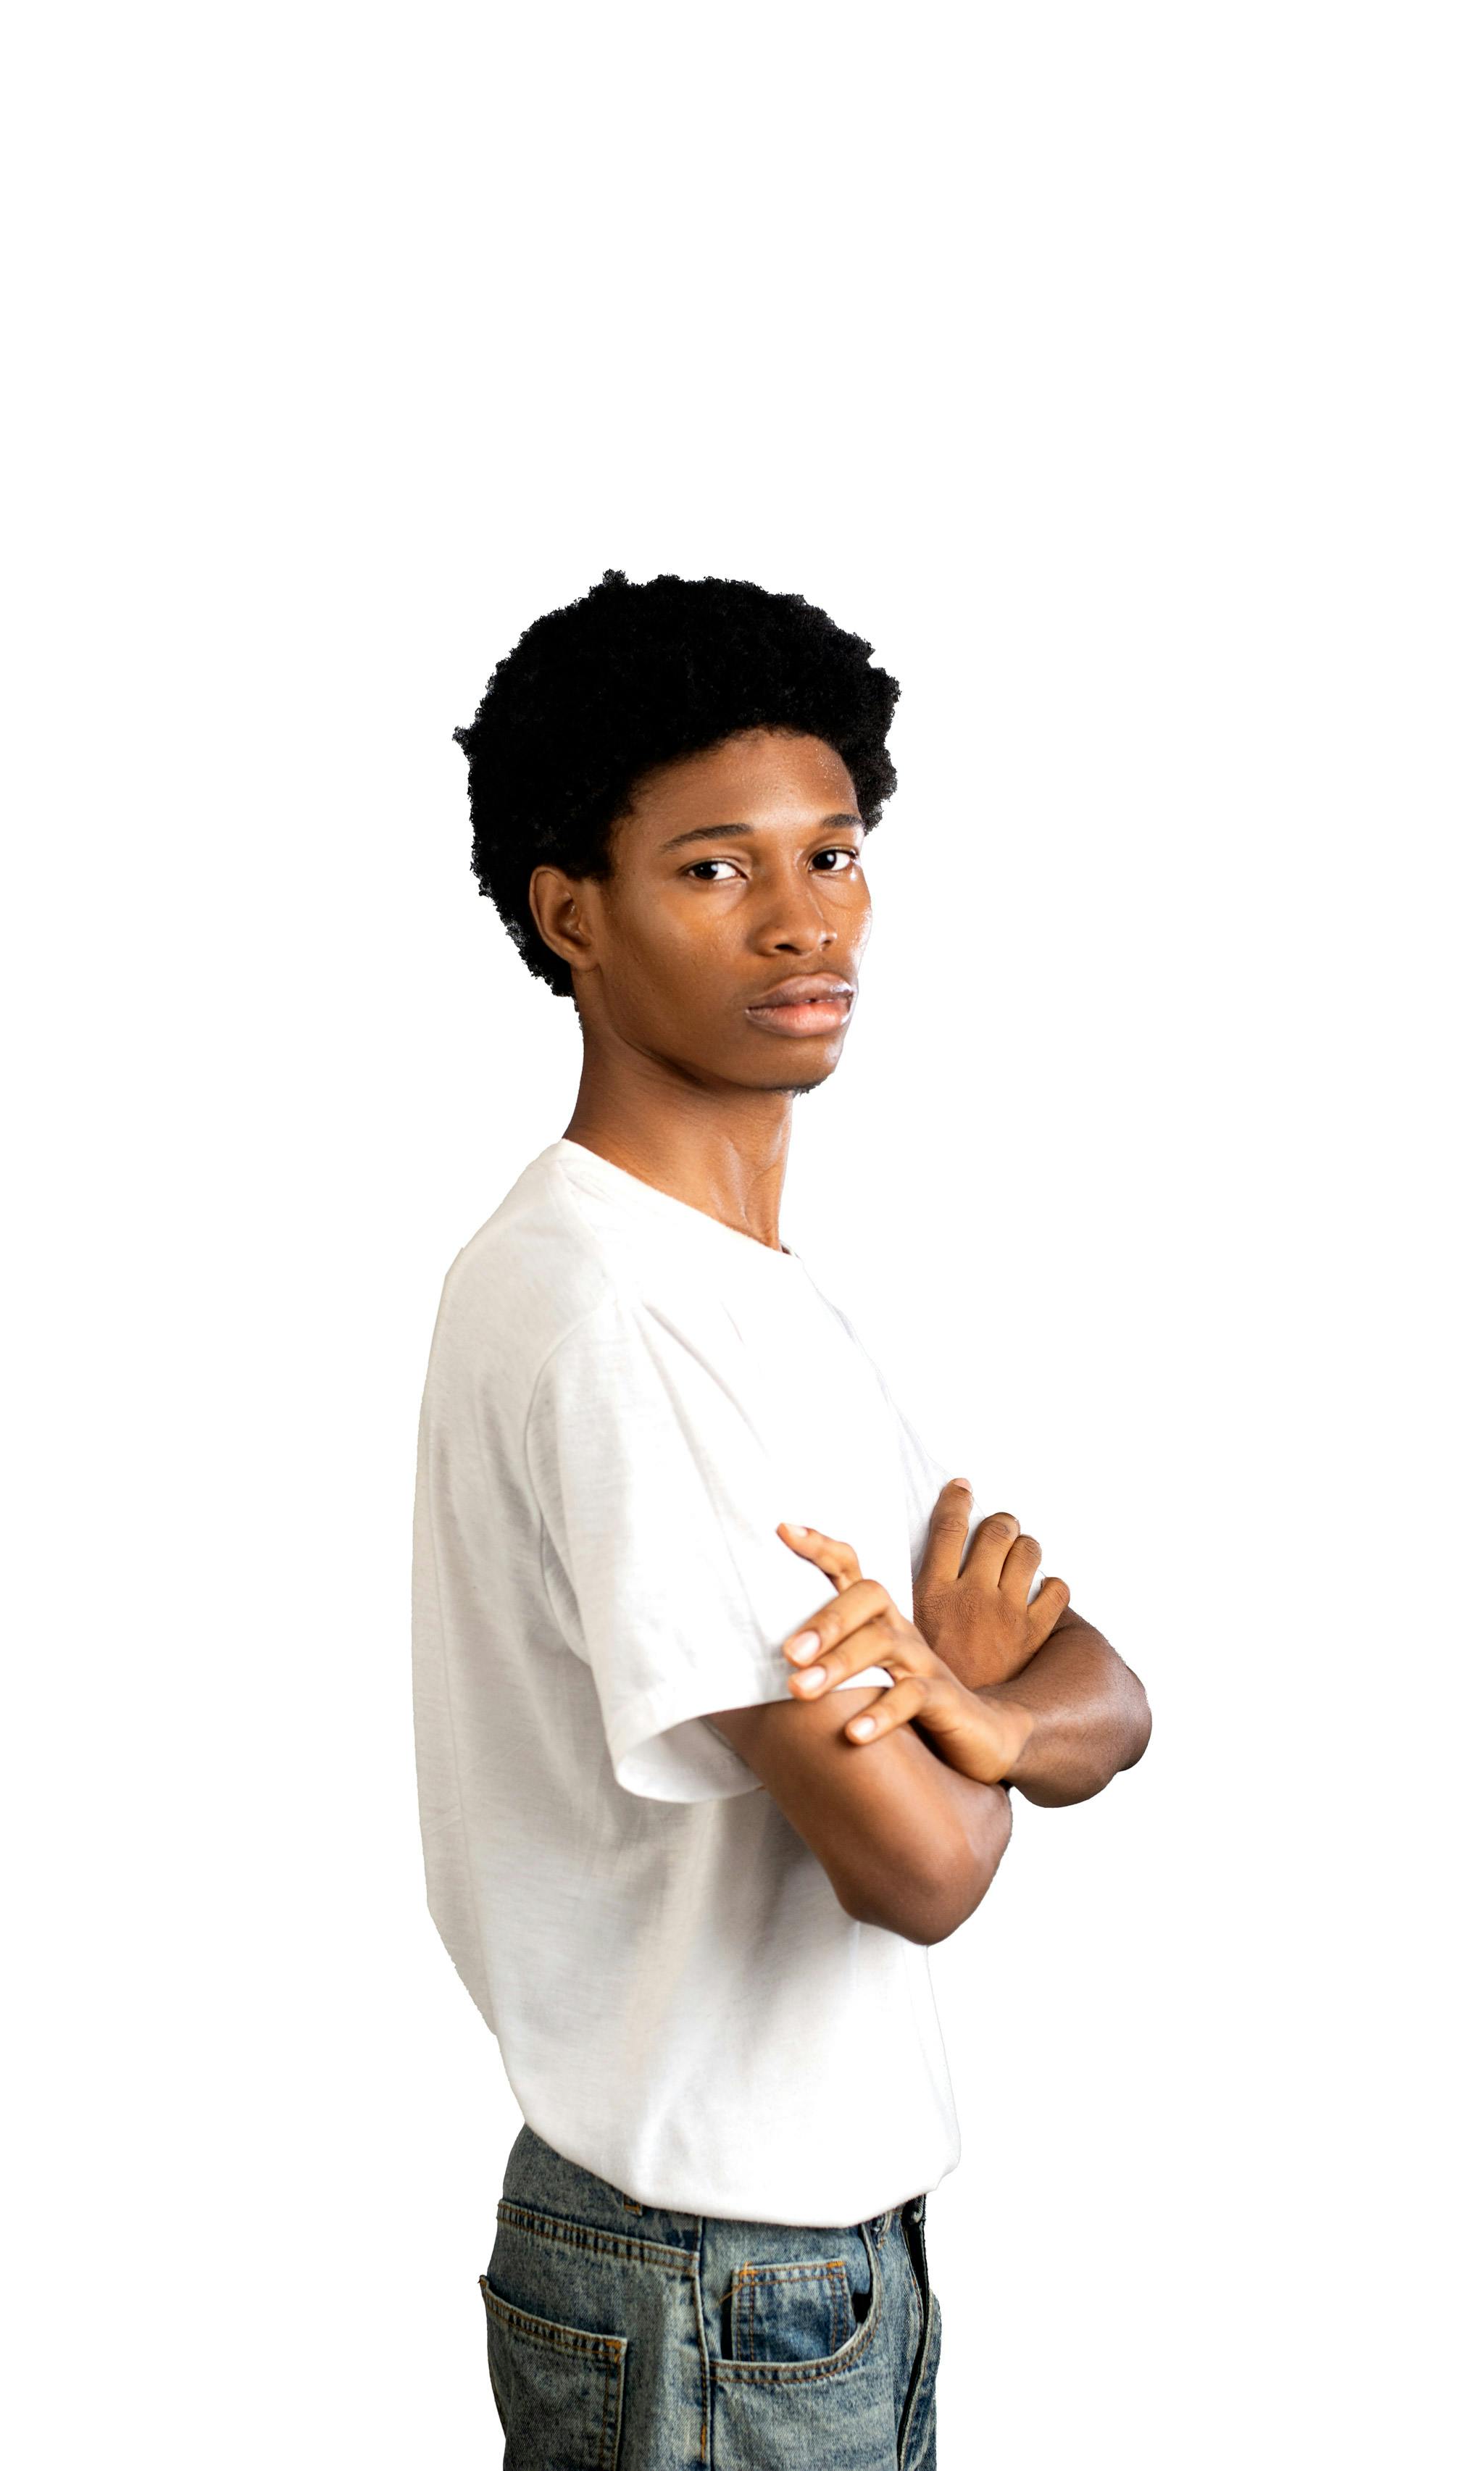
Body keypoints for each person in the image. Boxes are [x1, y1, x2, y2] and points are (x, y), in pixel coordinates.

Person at [411, 567, 1153, 2468]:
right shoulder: (621, 1321)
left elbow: (1097, 1683)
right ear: (569, 911)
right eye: (718, 869)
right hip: (715, 2287)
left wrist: (977, 1711)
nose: (806, 920)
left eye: (832, 854)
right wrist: (977, 1733)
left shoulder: (761, 1303)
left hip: (796, 2267)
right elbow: (918, 1864)